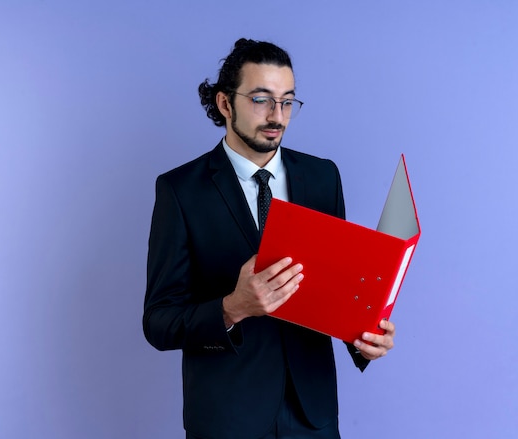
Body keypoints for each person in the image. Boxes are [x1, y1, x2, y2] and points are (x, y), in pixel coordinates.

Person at [143, 38, 396, 439]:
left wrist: (363, 337)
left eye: (287, 101)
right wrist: (232, 308)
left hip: (312, 414)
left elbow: (337, 288)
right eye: (261, 99)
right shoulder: (180, 190)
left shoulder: (322, 177)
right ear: (226, 104)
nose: (277, 115)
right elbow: (158, 322)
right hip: (228, 418)